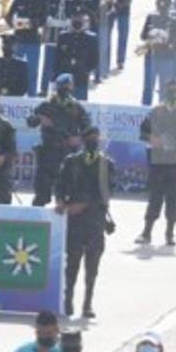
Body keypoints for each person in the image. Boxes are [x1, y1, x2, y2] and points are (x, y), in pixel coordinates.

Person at [55, 126, 115, 318]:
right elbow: (60, 185)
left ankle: (87, 303)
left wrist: (85, 204)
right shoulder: (71, 162)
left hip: (95, 220)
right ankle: (67, 300)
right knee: (71, 264)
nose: (93, 141)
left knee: (92, 266)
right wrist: (60, 201)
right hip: (74, 220)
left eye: (96, 138)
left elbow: (107, 192)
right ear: (83, 140)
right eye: (89, 137)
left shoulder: (107, 164)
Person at [136, 80, 176, 247]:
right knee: (155, 197)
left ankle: (170, 233)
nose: (173, 94)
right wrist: (152, 139)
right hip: (158, 160)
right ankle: (147, 232)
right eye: (170, 90)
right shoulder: (156, 111)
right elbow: (143, 131)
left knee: (174, 198)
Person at [26, 74, 91, 206]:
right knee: (42, 193)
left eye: (67, 87)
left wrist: (79, 139)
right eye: (62, 87)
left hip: (68, 153)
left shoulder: (76, 107)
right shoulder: (47, 104)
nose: (65, 90)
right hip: (49, 152)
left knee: (70, 192)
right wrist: (40, 118)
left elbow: (88, 129)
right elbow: (30, 121)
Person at [6, 0, 49, 96]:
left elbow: (43, 20)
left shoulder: (43, 1)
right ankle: (15, 94)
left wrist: (29, 23)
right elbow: (9, 16)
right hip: (18, 39)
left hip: (33, 40)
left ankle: (32, 96)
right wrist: (15, 25)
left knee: (32, 71)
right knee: (15, 70)